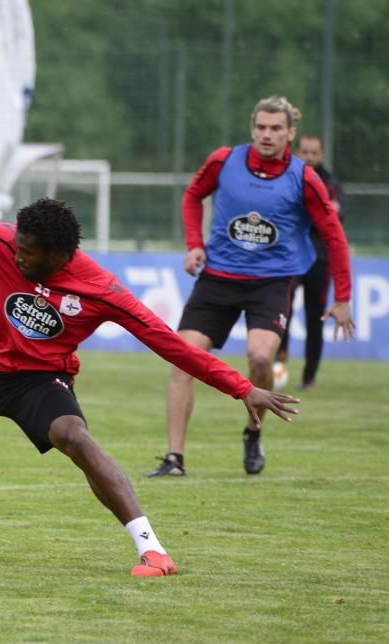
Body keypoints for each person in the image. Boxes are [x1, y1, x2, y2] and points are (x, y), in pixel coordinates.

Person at [0, 163, 300, 577]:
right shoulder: (6, 241)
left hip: (40, 381)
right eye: (17, 247)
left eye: (28, 252)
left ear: (59, 253)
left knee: (76, 438)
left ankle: (153, 550)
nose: (18, 256)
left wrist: (241, 387)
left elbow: (171, 345)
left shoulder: (100, 289)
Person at [150, 97, 354, 479]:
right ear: (252, 128)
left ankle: (253, 430)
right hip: (218, 279)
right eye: (261, 127)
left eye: (276, 128)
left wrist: (342, 297)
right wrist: (194, 242)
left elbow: (333, 233)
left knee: (261, 360)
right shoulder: (224, 161)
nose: (267, 134)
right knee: (183, 358)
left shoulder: (303, 176)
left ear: (290, 133)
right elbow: (193, 195)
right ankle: (175, 458)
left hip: (271, 283)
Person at [273, 134, 345, 391]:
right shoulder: (287, 180)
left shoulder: (332, 186)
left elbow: (336, 217)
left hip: (320, 261)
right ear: (297, 153)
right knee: (282, 313)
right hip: (290, 259)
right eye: (305, 152)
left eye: (314, 153)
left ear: (321, 155)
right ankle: (278, 361)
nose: (309, 157)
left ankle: (309, 377)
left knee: (316, 320)